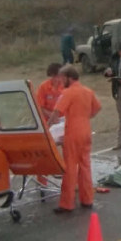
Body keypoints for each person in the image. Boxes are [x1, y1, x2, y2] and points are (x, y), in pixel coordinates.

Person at [48, 65, 101, 214]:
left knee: (70, 168)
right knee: (85, 166)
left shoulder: (68, 93)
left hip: (73, 132)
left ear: (68, 78)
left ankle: (67, 203)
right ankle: (87, 199)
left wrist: (46, 128)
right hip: (85, 131)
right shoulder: (88, 91)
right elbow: (97, 108)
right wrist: (84, 117)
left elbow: (56, 113)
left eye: (62, 78)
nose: (61, 81)